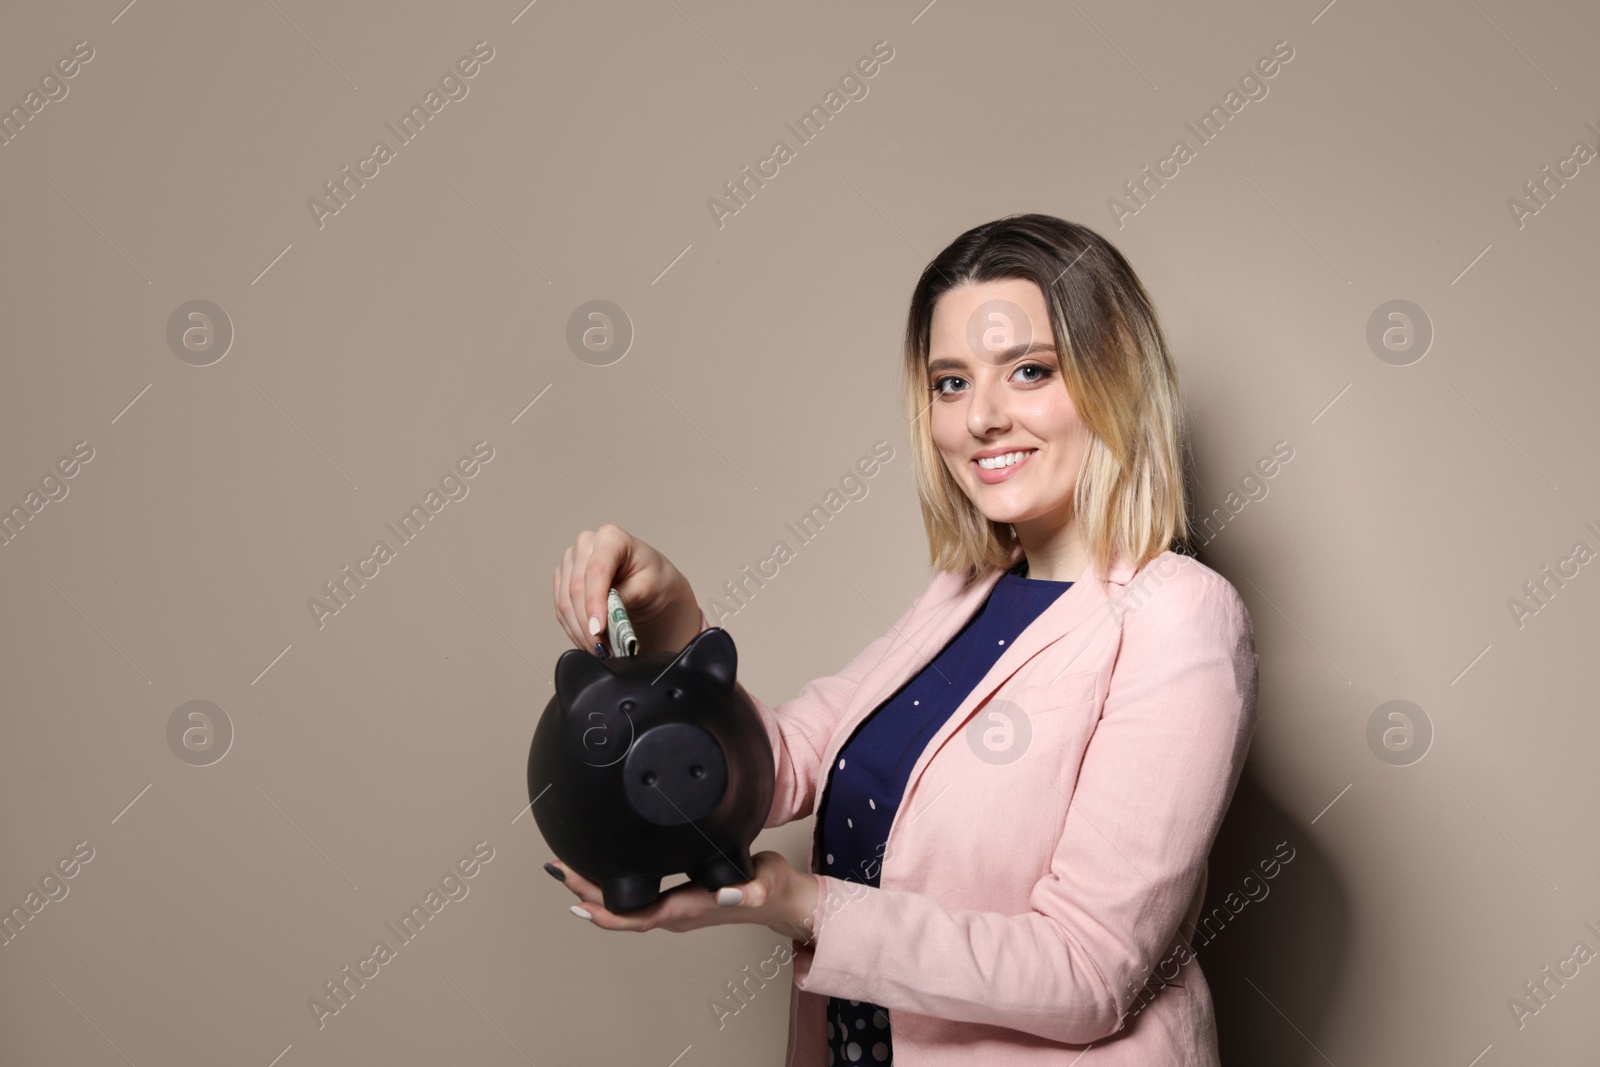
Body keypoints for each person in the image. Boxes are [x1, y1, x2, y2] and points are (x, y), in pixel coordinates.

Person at [547, 214, 1259, 1066]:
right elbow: (781, 762)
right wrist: (672, 628)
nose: (982, 418)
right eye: (950, 383)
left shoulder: (1179, 617)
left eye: (1029, 370)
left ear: (1116, 380)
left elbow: (1087, 972)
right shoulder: (966, 594)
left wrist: (801, 904)